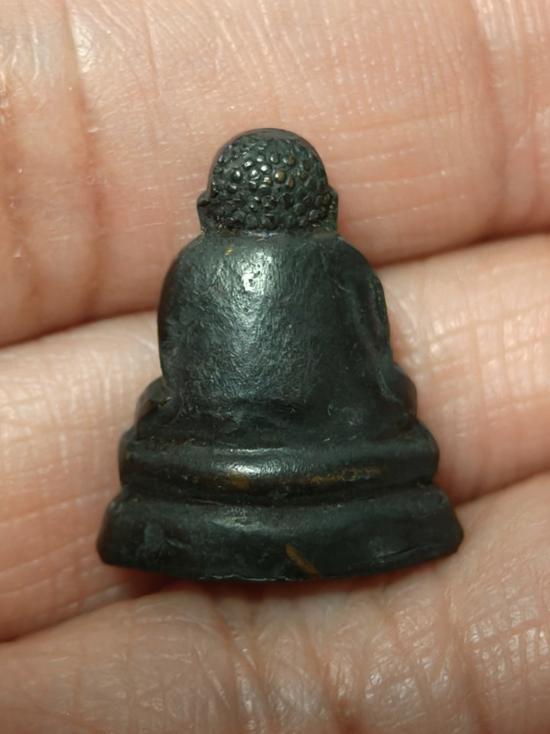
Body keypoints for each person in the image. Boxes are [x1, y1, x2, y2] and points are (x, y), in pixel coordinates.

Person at [0, 1, 549, 732]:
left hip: (205, 466)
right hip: (344, 462)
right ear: (325, 205)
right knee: (397, 397)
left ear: (210, 207)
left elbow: (174, 367)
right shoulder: (342, 263)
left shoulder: (194, 265)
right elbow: (376, 360)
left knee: (156, 408)